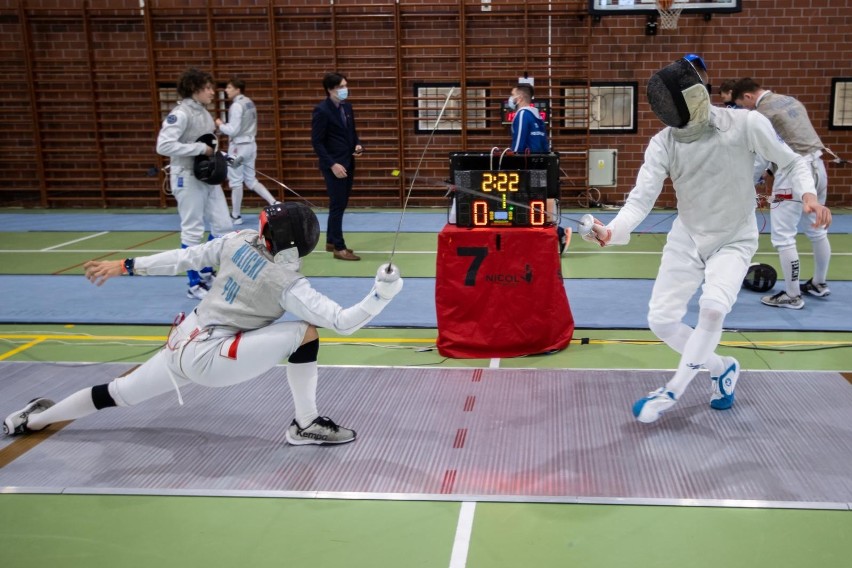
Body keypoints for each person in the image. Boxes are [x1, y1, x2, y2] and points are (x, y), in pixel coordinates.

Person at [3, 202, 404, 446]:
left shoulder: (237, 240)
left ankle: (31, 420)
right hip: (212, 358)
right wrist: (381, 294)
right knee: (306, 333)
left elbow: (184, 258)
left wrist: (126, 265)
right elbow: (343, 323)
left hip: (181, 341)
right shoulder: (288, 283)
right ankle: (305, 423)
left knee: (118, 392)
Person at [578, 54, 831, 424]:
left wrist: (808, 194)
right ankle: (722, 367)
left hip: (733, 238)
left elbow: (792, 161)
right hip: (688, 235)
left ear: (695, 97)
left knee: (713, 307)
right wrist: (611, 231)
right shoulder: (664, 142)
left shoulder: (745, 123)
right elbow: (639, 201)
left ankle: (673, 390)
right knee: (661, 321)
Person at [732, 77, 832, 308]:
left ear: (748, 96)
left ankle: (792, 295)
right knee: (816, 231)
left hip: (793, 174)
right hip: (818, 167)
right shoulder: (789, 100)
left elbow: (760, 155)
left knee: (783, 237)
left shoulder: (761, 114)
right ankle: (819, 283)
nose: (744, 109)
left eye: (742, 104)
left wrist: (751, 180)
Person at [157, 68, 233, 300]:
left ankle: (207, 271)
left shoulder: (204, 113)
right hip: (186, 176)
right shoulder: (180, 114)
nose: (212, 92)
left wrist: (222, 155)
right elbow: (163, 146)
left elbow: (208, 143)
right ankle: (194, 284)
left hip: (206, 175)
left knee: (223, 226)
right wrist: (199, 149)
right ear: (194, 89)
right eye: (208, 88)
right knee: (192, 230)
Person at [507, 83, 568, 252]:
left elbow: (518, 145)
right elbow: (544, 145)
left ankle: (557, 233)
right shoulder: (538, 117)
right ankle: (557, 233)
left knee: (521, 202)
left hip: (526, 167)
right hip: (542, 165)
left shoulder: (522, 115)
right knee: (538, 203)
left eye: (512, 95)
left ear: (519, 98)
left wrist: (512, 164)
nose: (510, 98)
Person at [311, 72, 363, 261]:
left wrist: (357, 145)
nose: (345, 90)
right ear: (330, 89)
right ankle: (339, 247)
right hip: (334, 165)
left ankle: (331, 240)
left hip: (349, 161)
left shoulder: (347, 107)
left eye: (345, 86)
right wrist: (332, 164)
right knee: (337, 205)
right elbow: (317, 142)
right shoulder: (322, 111)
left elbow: (352, 132)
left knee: (340, 204)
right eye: (341, 87)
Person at [215, 77, 279, 226]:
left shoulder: (237, 105)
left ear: (238, 89)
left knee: (236, 182)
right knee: (250, 179)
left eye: (229, 87)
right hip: (251, 145)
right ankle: (274, 202)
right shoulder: (249, 102)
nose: (226, 90)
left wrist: (220, 125)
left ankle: (236, 216)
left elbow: (234, 130)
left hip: (239, 146)